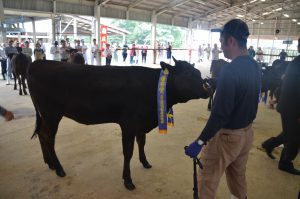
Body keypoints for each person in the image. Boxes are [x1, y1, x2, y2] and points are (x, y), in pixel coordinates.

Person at [185, 19, 261, 199]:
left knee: (207, 178)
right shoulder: (254, 65)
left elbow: (219, 115)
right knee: (237, 175)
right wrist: (218, 82)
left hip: (227, 137)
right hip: (246, 134)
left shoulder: (229, 70)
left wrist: (200, 142)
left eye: (222, 42)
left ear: (232, 41)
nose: (221, 47)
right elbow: (244, 84)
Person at [262, 38, 300, 175]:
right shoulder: (297, 63)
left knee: (290, 133)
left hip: (288, 105)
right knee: (295, 138)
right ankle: (285, 162)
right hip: (293, 107)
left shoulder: (295, 62)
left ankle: (269, 144)